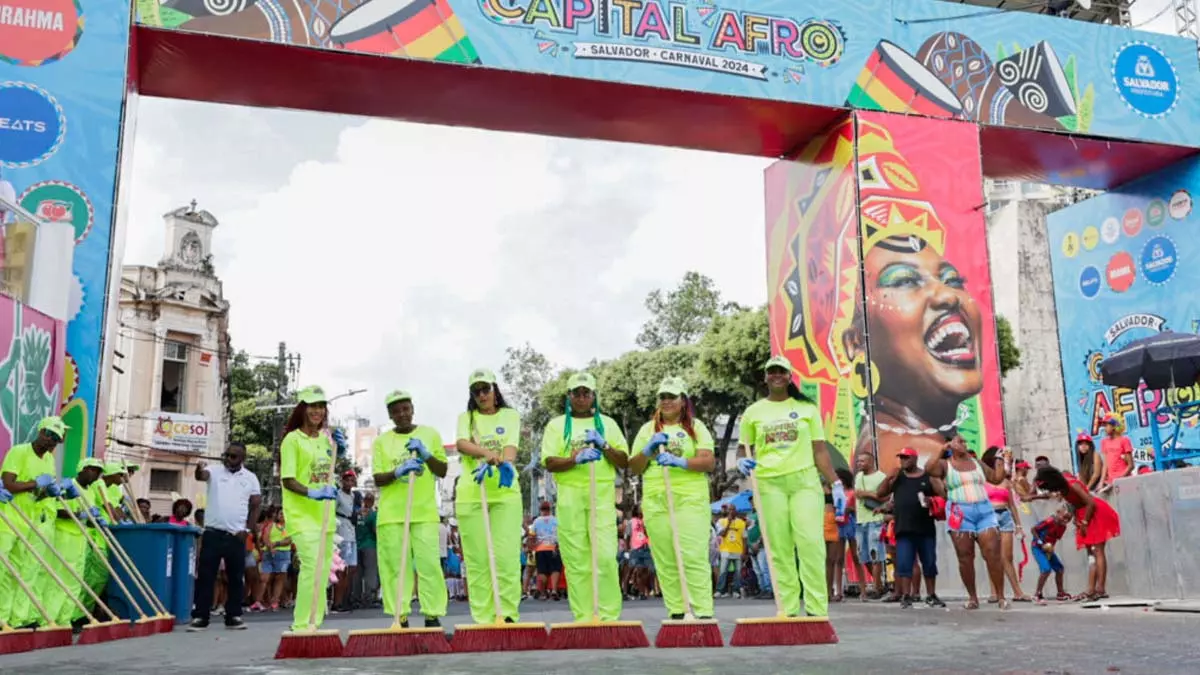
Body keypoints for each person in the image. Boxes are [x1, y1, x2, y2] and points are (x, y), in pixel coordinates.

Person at [736, 356, 844, 619]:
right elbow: (743, 447)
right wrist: (740, 460)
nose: (776, 375)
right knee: (779, 548)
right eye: (771, 371)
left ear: (789, 376)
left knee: (810, 544)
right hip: (769, 483)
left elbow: (819, 451)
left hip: (804, 482)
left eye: (781, 371)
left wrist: (836, 483)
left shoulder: (806, 409)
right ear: (765, 377)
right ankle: (789, 610)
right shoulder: (753, 412)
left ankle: (817, 610)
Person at [540, 371, 630, 623]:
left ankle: (609, 615)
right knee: (576, 559)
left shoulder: (608, 424)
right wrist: (574, 458)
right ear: (569, 397)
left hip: (601, 494)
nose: (581, 398)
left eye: (586, 393)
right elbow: (549, 462)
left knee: (604, 556)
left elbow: (624, 461)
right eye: (576, 393)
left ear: (593, 396)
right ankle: (583, 616)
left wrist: (604, 445)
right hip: (570, 495)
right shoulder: (556, 425)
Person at [627, 376, 716, 619]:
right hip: (657, 500)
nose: (666, 402)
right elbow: (634, 467)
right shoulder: (648, 429)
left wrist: (680, 461)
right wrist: (648, 450)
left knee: (693, 555)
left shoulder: (696, 427)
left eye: (672, 397)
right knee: (665, 558)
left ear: (683, 400)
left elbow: (708, 461)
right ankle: (677, 610)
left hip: (689, 499)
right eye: (662, 397)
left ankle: (703, 611)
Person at [372, 390, 448, 627]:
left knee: (429, 564)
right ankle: (400, 616)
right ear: (390, 415)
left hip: (424, 512)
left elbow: (442, 470)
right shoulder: (382, 442)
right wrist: (398, 471)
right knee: (396, 567)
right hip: (392, 514)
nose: (402, 414)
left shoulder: (430, 434)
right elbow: (378, 478)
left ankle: (432, 615)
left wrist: (425, 454)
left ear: (412, 408)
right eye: (396, 411)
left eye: (405, 408)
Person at [455, 369, 523, 624]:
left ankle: (507, 615)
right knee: (478, 560)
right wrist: (486, 454)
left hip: (505, 495)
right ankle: (483, 619)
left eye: (486, 389)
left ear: (495, 390)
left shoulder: (510, 415)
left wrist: (504, 462)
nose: (482, 395)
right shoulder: (466, 417)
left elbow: (510, 448)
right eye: (477, 391)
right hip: (472, 494)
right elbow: (462, 444)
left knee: (505, 557)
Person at [278, 385, 340, 633]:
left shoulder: (326, 439)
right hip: (301, 516)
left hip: (325, 516)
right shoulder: (292, 440)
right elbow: (288, 479)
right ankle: (301, 624)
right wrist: (312, 492)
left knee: (323, 570)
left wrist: (337, 450)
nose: (317, 411)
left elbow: (328, 470)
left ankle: (316, 623)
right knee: (311, 566)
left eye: (321, 406)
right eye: (312, 406)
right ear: (303, 409)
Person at [926, 434, 1009, 609]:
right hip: (960, 512)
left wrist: (1002, 461)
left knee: (992, 553)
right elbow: (929, 469)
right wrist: (942, 450)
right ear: (951, 444)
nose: (963, 444)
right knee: (965, 556)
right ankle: (973, 597)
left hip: (984, 510)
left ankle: (1001, 596)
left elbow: (996, 478)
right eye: (959, 441)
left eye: (965, 441)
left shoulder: (976, 463)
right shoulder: (945, 464)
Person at [0, 416, 68, 627]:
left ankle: (8, 619)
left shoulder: (48, 460)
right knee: (2, 570)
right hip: (9, 518)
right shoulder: (19, 451)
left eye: (55, 438)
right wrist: (34, 484)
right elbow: (9, 484)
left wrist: (48, 492)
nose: (50, 440)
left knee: (17, 573)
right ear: (40, 431)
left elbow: (38, 493)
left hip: (30, 522)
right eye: (48, 434)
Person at [189, 441, 262, 631]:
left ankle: (233, 616)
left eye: (233, 456)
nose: (229, 459)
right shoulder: (214, 471)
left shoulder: (250, 478)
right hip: (213, 533)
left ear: (242, 458)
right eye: (227, 455)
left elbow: (255, 505)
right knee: (206, 576)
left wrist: (247, 530)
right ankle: (201, 617)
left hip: (236, 535)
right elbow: (200, 476)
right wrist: (199, 468)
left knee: (236, 577)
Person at [1034, 466, 1121, 601]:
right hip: (1083, 515)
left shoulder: (1071, 484)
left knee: (1097, 550)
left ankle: (1100, 589)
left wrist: (1085, 522)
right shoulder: (1062, 488)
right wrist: (1077, 519)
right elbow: (1075, 503)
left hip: (1094, 513)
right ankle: (1091, 589)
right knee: (1090, 553)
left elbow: (1090, 502)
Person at [875, 447, 944, 608]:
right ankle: (906, 595)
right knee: (904, 563)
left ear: (914, 459)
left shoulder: (927, 477)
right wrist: (888, 479)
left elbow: (941, 494)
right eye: (901, 458)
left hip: (925, 527)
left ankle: (931, 594)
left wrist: (931, 500)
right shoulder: (898, 477)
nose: (903, 461)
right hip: (904, 528)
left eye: (906, 458)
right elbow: (880, 493)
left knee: (929, 562)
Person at [46, 458, 105, 627]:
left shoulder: (91, 492)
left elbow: (89, 516)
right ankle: (50, 618)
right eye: (92, 470)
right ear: (82, 469)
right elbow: (56, 509)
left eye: (98, 472)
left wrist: (95, 519)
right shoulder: (67, 485)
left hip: (81, 537)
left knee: (75, 580)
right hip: (64, 535)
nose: (95, 474)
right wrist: (79, 515)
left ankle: (66, 619)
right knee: (59, 579)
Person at [979, 447, 1030, 603]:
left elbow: (1012, 505)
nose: (1001, 462)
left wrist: (1019, 525)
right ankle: (994, 592)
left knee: (1007, 556)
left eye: (1003, 460)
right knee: (991, 556)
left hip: (1005, 516)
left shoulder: (1006, 482)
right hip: (988, 517)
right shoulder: (983, 479)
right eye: (999, 459)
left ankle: (1017, 592)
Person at [852, 452, 887, 600]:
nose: (859, 464)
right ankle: (878, 585)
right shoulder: (858, 477)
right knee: (863, 556)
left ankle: (877, 587)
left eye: (863, 461)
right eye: (858, 461)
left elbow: (886, 497)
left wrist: (866, 494)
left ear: (871, 462)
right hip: (860, 520)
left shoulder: (881, 477)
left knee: (875, 554)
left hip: (875, 519)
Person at [1030, 507, 1072, 603]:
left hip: (1048, 549)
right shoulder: (1049, 521)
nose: (1065, 521)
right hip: (1038, 548)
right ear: (1058, 513)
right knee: (1046, 569)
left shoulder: (1063, 526)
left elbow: (1054, 538)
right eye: (1064, 517)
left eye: (1068, 520)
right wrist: (1041, 543)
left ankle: (1060, 593)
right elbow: (1033, 529)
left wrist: (1049, 549)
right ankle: (1038, 594)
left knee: (1059, 568)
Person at [332, 470, 359, 613]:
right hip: (342, 530)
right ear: (342, 481)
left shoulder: (354, 496)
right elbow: (332, 512)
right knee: (342, 568)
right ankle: (337, 602)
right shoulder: (337, 494)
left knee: (352, 568)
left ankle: (345, 598)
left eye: (351, 480)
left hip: (351, 531)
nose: (349, 483)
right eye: (347, 480)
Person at [530, 501, 562, 600]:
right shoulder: (556, 520)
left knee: (542, 570)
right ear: (550, 509)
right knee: (555, 569)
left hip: (540, 549)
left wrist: (531, 548)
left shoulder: (536, 521)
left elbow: (532, 535)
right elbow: (561, 533)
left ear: (541, 510)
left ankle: (543, 591)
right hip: (554, 547)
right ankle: (554, 590)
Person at [713, 504, 745, 598]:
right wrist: (728, 523)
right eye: (730, 510)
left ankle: (736, 591)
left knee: (738, 572)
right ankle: (720, 590)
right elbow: (722, 534)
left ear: (736, 511)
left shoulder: (741, 523)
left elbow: (744, 538)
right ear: (727, 511)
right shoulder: (721, 521)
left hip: (738, 550)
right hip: (725, 550)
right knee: (723, 571)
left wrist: (744, 551)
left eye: (733, 509)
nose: (731, 511)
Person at [353, 492, 379, 609]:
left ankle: (356, 598)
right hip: (370, 545)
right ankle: (369, 598)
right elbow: (375, 530)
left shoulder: (358, 513)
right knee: (370, 572)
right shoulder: (373, 515)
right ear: (372, 502)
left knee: (358, 573)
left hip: (358, 545)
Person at [745, 496, 772, 600]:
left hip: (761, 546)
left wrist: (758, 542)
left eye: (754, 502)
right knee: (757, 570)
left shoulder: (763, 514)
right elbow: (748, 530)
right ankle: (762, 589)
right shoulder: (750, 514)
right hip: (751, 545)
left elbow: (765, 529)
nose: (752, 504)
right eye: (751, 502)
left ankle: (769, 590)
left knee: (764, 568)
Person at [1097, 415, 1133, 493]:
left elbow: (1131, 465)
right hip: (1110, 483)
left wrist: (1119, 480)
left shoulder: (1124, 440)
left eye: (1106, 425)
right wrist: (1101, 482)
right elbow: (1105, 464)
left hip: (1125, 481)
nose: (1104, 428)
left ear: (1114, 426)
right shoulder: (1104, 442)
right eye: (1104, 426)